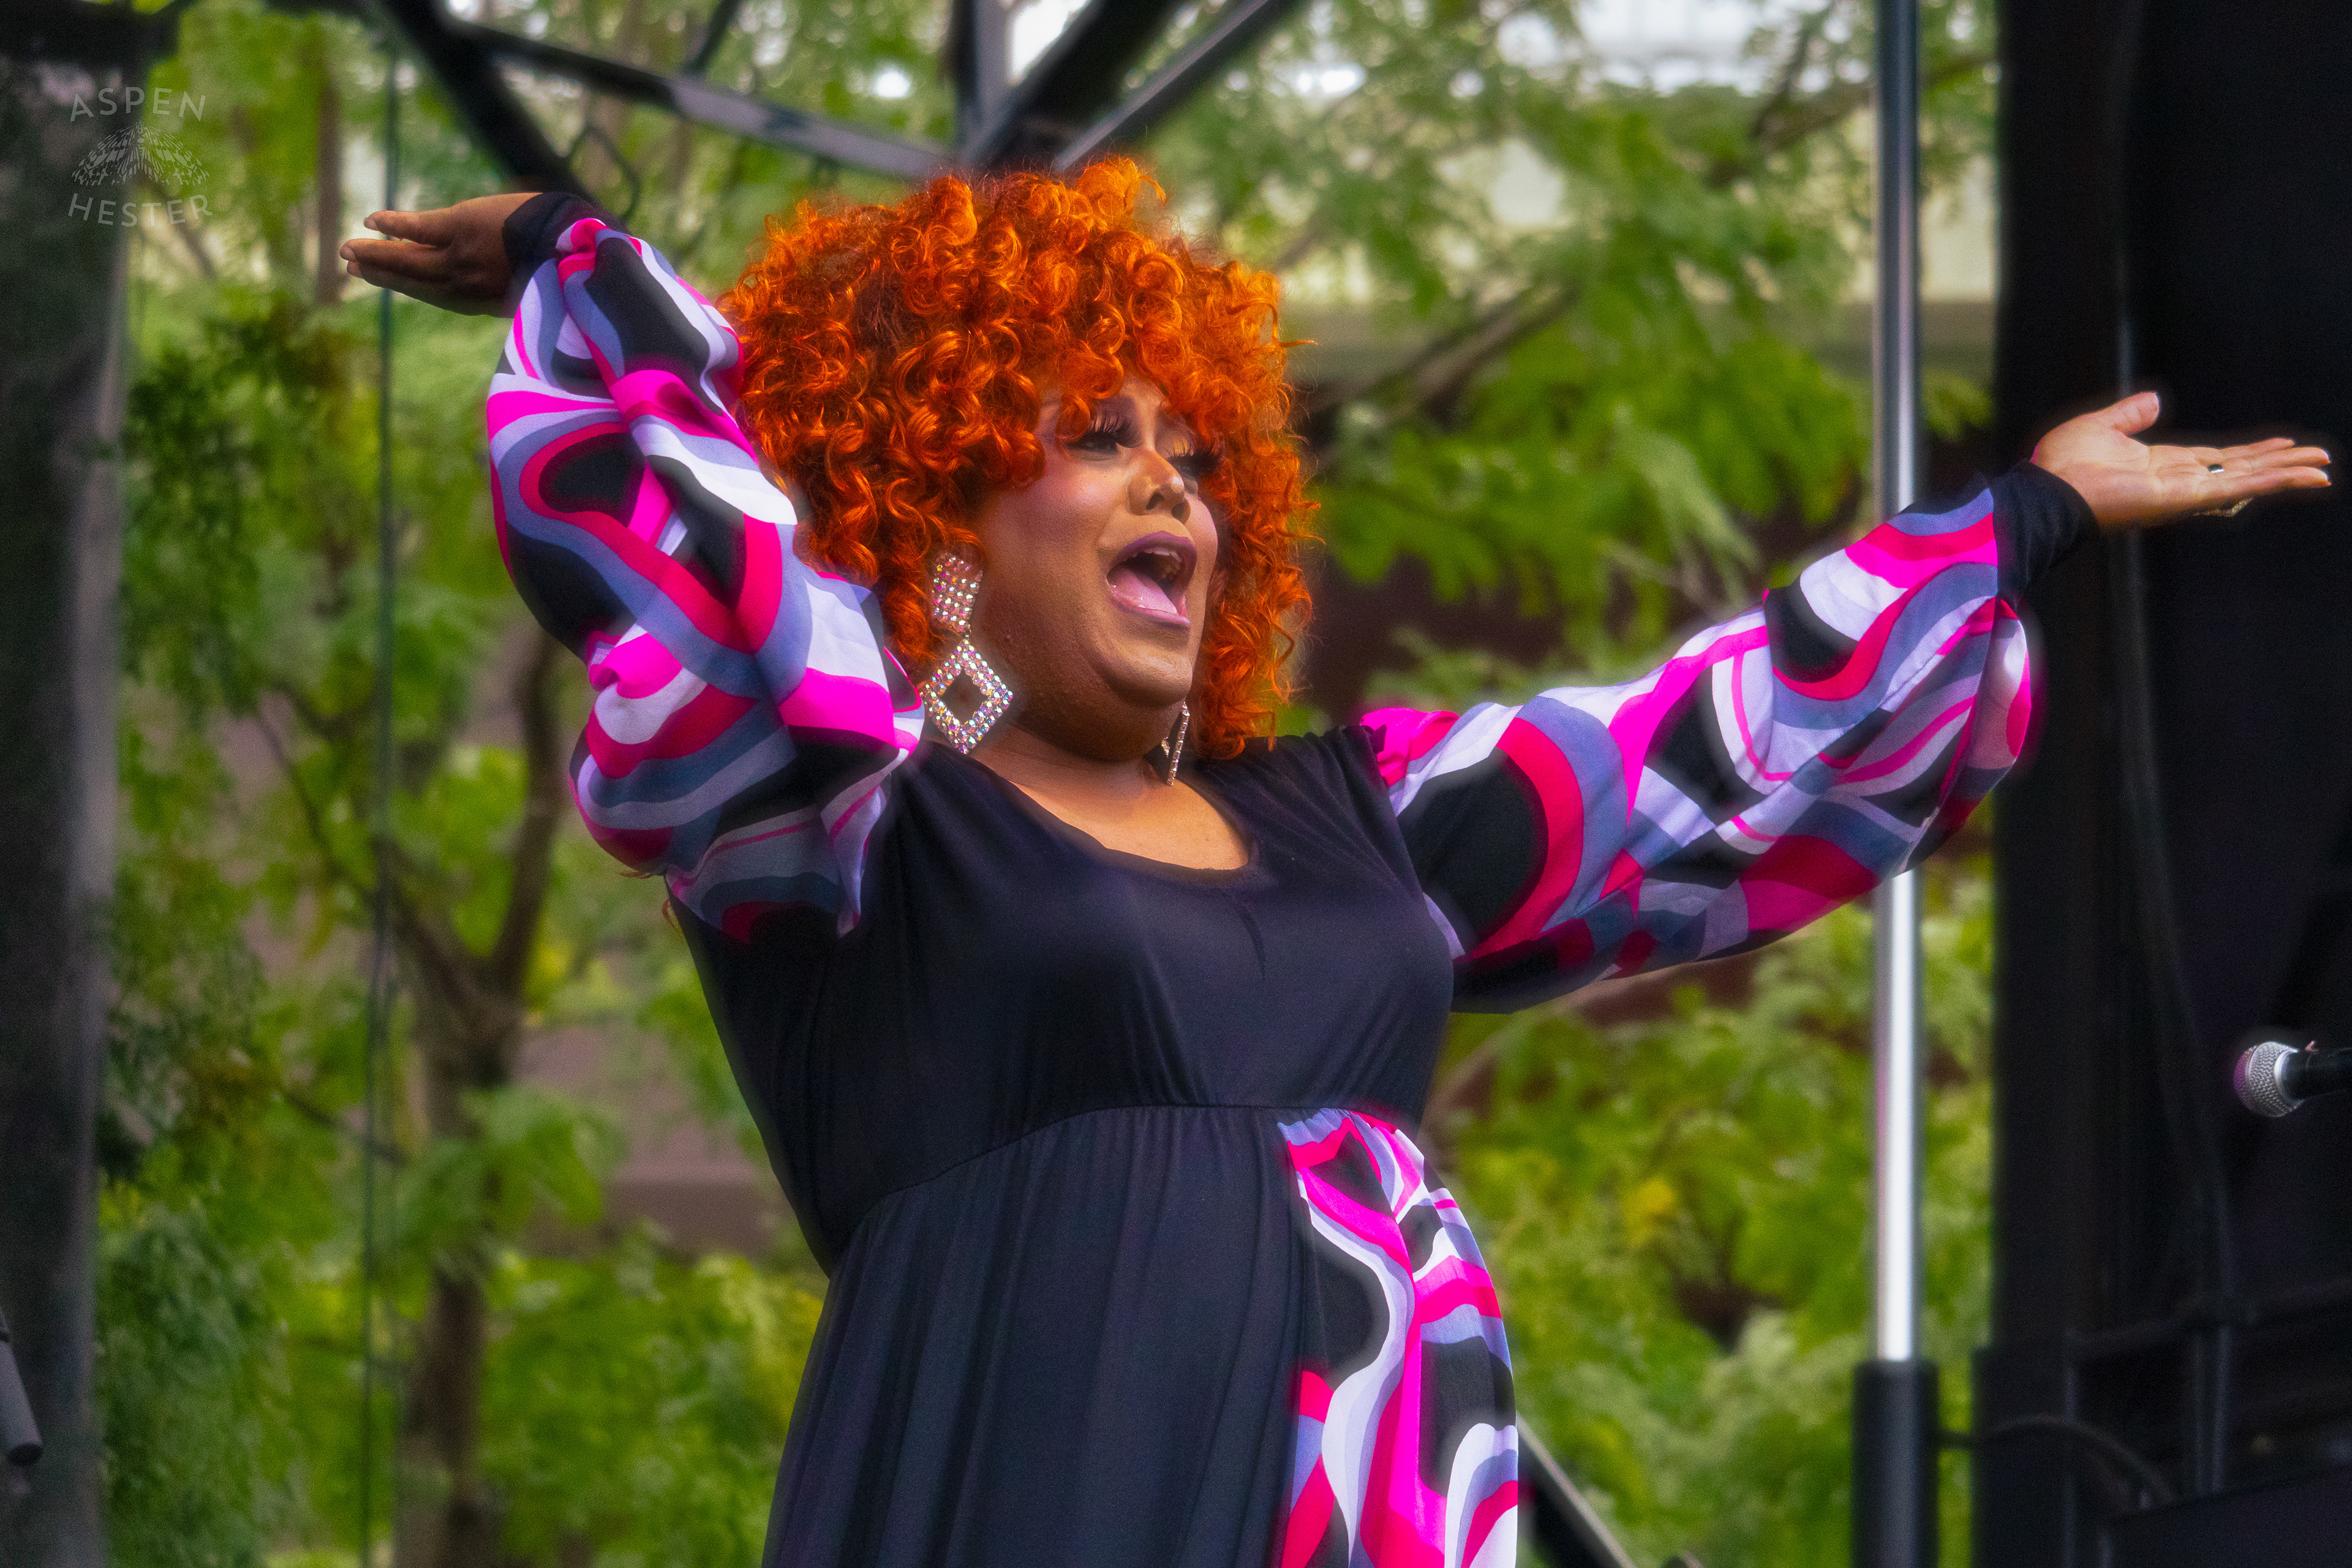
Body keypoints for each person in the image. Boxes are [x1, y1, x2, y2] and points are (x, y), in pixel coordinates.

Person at [342, 160, 2326, 1568]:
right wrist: (575, 255)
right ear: (932, 491)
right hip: (1038, 1480)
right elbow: (715, 543)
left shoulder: (1358, 808)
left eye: (1193, 457)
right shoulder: (848, 802)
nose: (1169, 488)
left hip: (1375, 1489)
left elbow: (1718, 745)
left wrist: (2031, 519)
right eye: (1092, 437)